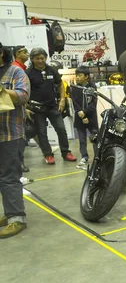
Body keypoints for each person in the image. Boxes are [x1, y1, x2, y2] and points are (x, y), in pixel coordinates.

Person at [0, 45, 31, 238]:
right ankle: (9, 212)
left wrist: (3, 90)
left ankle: (17, 218)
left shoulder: (16, 71)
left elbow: (23, 96)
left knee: (9, 176)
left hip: (10, 134)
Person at [26, 47, 76, 164]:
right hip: (36, 109)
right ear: (32, 59)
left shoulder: (52, 70)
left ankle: (66, 152)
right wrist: (26, 107)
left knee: (61, 129)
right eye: (37, 58)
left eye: (42, 58)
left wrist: (62, 100)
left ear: (46, 58)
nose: (40, 61)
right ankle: (48, 154)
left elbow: (60, 85)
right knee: (42, 132)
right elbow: (24, 90)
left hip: (53, 106)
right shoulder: (28, 73)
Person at [70, 66, 98, 169]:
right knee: (82, 139)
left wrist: (85, 113)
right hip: (79, 117)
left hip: (91, 117)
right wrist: (81, 115)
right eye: (76, 75)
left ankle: (97, 157)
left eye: (80, 75)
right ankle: (84, 157)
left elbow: (93, 103)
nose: (77, 77)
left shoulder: (92, 87)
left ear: (86, 76)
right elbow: (75, 103)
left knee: (95, 138)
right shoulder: (74, 88)